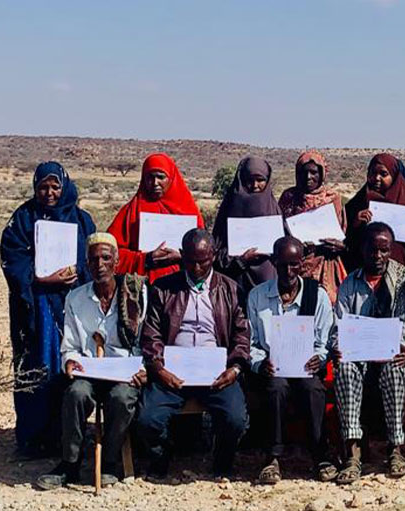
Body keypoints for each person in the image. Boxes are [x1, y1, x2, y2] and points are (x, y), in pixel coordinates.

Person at [136, 229, 250, 479]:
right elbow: (151, 334)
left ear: (214, 255)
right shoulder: (163, 288)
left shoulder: (231, 289)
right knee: (147, 419)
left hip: (217, 373)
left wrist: (234, 369)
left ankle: (222, 462)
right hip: (172, 371)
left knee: (236, 419)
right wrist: (159, 369)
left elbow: (242, 336)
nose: (197, 268)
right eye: (190, 261)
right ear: (181, 256)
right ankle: (161, 456)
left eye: (203, 261)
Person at [0, 161, 96, 458]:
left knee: (71, 365)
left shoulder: (82, 220)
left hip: (72, 304)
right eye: (43, 187)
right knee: (36, 365)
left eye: (55, 187)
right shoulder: (23, 218)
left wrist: (78, 275)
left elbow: (94, 259)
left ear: (64, 186)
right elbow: (12, 259)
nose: (50, 193)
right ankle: (33, 439)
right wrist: (41, 278)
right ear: (35, 187)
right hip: (36, 306)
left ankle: (68, 438)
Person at [37, 233, 147, 489]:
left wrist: (141, 369)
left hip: (124, 372)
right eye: (94, 259)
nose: (100, 265)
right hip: (89, 371)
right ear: (87, 264)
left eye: (106, 258)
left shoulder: (135, 293)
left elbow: (145, 341)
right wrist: (70, 361)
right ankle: (70, 465)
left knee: (122, 398)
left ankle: (109, 461)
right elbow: (70, 347)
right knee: (76, 394)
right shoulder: (76, 298)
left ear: (116, 261)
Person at [247, 236, 336, 483]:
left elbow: (325, 339)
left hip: (304, 366)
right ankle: (272, 457)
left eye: (294, 264)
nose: (289, 271)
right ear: (274, 262)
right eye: (283, 264)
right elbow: (251, 342)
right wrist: (259, 363)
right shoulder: (257, 296)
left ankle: (320, 454)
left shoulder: (316, 296)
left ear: (302, 264)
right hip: (273, 367)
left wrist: (319, 358)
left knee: (312, 389)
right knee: (276, 388)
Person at [331, 223, 405, 483]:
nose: (378, 256)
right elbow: (339, 324)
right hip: (358, 355)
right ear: (362, 250)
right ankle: (353, 451)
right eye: (372, 250)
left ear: (391, 250)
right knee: (344, 369)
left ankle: (395, 449)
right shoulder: (350, 283)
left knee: (395, 369)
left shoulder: (403, 279)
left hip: (388, 353)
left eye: (384, 250)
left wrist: (402, 345)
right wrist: (339, 346)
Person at [107, 153, 205, 284]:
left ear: (171, 178)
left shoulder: (188, 210)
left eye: (161, 177)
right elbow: (109, 253)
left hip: (182, 286)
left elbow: (204, 253)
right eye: (150, 177)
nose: (155, 183)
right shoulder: (131, 211)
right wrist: (145, 259)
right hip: (140, 286)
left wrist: (183, 258)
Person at [278, 151, 348, 303]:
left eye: (314, 172)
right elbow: (279, 231)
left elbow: (342, 232)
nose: (308, 177)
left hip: (325, 265)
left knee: (325, 305)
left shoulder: (332, 198)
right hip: (294, 266)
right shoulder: (289, 197)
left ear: (322, 174)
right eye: (304, 172)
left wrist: (337, 246)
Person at [212, 156, 282, 298]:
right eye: (249, 180)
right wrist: (241, 260)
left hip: (269, 287)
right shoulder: (230, 209)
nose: (255, 185)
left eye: (260, 180)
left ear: (268, 180)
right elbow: (215, 254)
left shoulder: (274, 209)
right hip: (235, 284)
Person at [344, 153, 405, 272]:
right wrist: (356, 223)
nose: (377, 178)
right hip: (365, 274)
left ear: (394, 176)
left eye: (383, 174)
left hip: (401, 274)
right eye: (373, 173)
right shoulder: (358, 204)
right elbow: (346, 240)